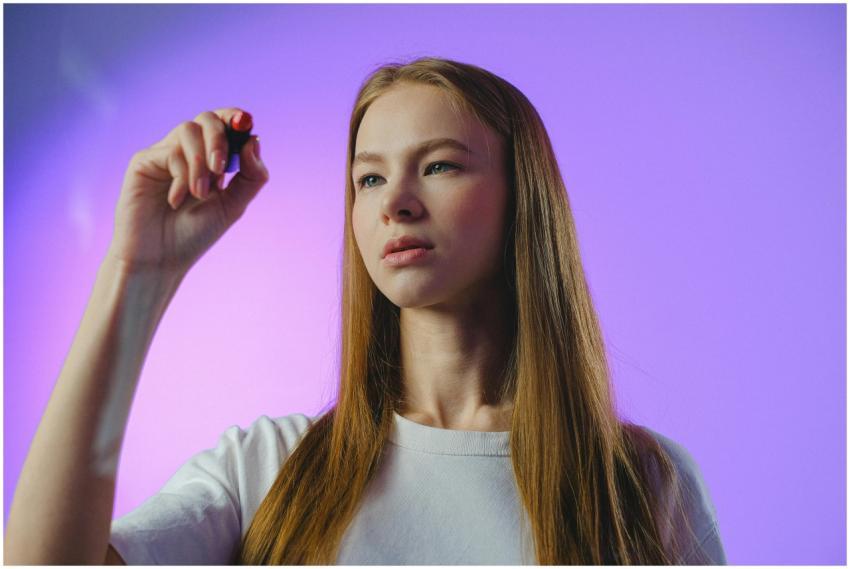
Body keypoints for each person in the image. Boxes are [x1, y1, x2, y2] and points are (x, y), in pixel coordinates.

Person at [5, 56, 727, 565]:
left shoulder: (643, 482)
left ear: (524, 201)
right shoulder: (265, 469)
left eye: (439, 164)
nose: (395, 202)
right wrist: (137, 274)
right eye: (369, 177)